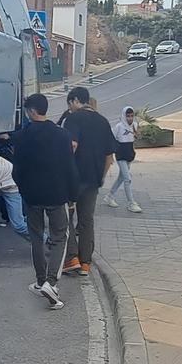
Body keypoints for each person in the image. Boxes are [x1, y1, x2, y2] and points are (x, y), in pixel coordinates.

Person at [13, 93, 79, 310]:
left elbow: (17, 170)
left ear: (32, 111)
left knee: (36, 238)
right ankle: (51, 282)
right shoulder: (62, 135)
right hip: (57, 194)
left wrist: (24, 189)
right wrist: (72, 195)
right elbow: (69, 167)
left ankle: (41, 280)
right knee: (60, 236)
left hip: (32, 196)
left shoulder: (21, 137)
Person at [60, 87, 117, 277]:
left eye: (70, 104)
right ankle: (85, 263)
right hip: (93, 180)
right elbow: (110, 156)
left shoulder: (73, 119)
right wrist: (100, 177)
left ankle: (72, 258)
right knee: (86, 220)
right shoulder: (103, 121)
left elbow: (71, 145)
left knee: (65, 219)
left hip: (73, 180)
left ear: (75, 101)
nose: (70, 108)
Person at [105, 106, 143, 213]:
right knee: (127, 178)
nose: (130, 118)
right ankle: (131, 203)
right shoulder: (119, 127)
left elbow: (135, 138)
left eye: (132, 116)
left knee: (121, 178)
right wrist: (110, 154)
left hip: (129, 155)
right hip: (120, 155)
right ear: (124, 116)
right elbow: (111, 139)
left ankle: (110, 196)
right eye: (128, 116)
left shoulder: (134, 125)